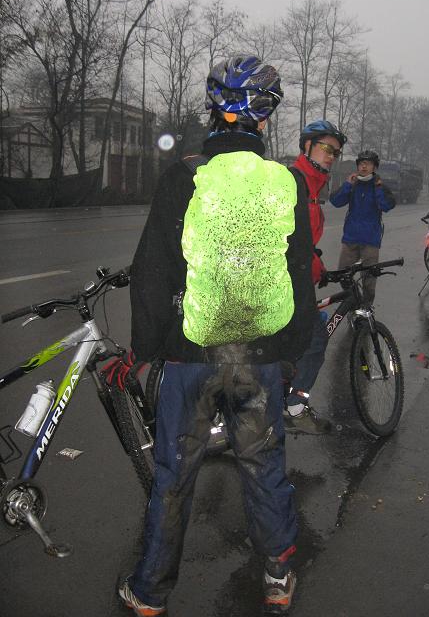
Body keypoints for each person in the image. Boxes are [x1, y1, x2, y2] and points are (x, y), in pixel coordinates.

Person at [118, 55, 316, 616]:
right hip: (260, 356)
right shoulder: (287, 181)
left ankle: (150, 593)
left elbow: (153, 271)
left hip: (189, 358)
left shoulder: (183, 175)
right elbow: (298, 269)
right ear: (265, 117)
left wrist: (145, 353)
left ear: (214, 111)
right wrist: (292, 352)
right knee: (264, 468)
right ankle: (278, 579)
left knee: (174, 478)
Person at [284, 120, 347, 435]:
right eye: (325, 148)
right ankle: (294, 406)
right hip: (285, 284)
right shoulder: (293, 182)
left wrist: (316, 265)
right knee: (316, 339)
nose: (331, 156)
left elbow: (303, 241)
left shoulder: (312, 188)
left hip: (297, 279)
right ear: (306, 146)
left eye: (335, 152)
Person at [329, 149, 396, 304]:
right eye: (361, 163)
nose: (364, 167)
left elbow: (385, 206)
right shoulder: (353, 185)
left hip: (370, 240)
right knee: (343, 275)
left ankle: (366, 309)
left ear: (374, 167)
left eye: (368, 164)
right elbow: (336, 202)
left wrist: (378, 188)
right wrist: (347, 184)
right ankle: (354, 301)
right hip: (350, 239)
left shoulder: (380, 187)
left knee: (369, 280)